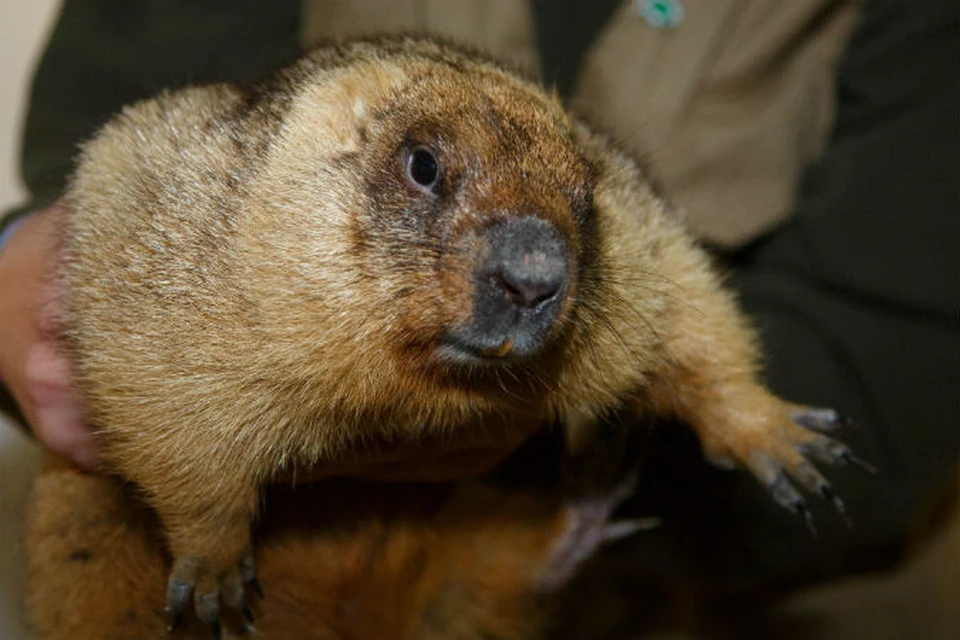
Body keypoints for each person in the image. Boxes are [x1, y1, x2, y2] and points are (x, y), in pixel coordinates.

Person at [1, 0, 956, 634]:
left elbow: (862, 349)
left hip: (593, 590)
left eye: (569, 218)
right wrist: (12, 267)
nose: (536, 271)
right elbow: (96, 164)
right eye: (423, 178)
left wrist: (734, 411)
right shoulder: (256, 203)